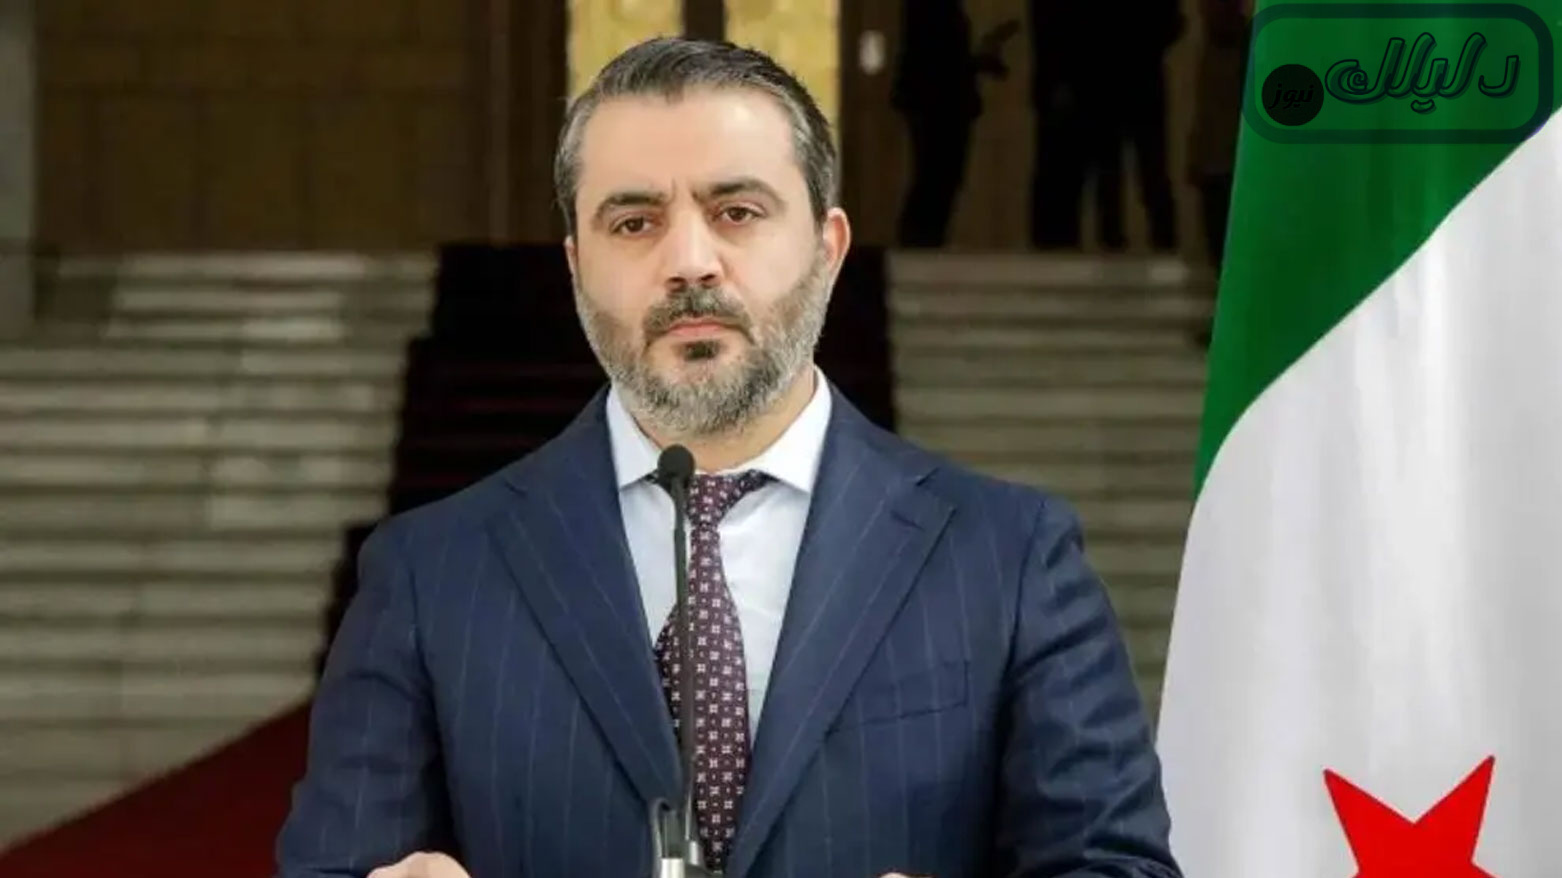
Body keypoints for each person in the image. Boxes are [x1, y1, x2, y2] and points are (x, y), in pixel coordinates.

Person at [274, 37, 1181, 878]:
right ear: (576, 266)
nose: (689, 261)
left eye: (736, 211)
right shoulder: (430, 574)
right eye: (635, 223)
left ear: (827, 250)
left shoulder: (1012, 558)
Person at [890, 0, 1016, 247]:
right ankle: (920, 245)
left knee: (935, 180)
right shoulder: (934, 9)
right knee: (936, 180)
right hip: (938, 103)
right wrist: (977, 61)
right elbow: (938, 58)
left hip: (935, 101)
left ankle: (921, 245)